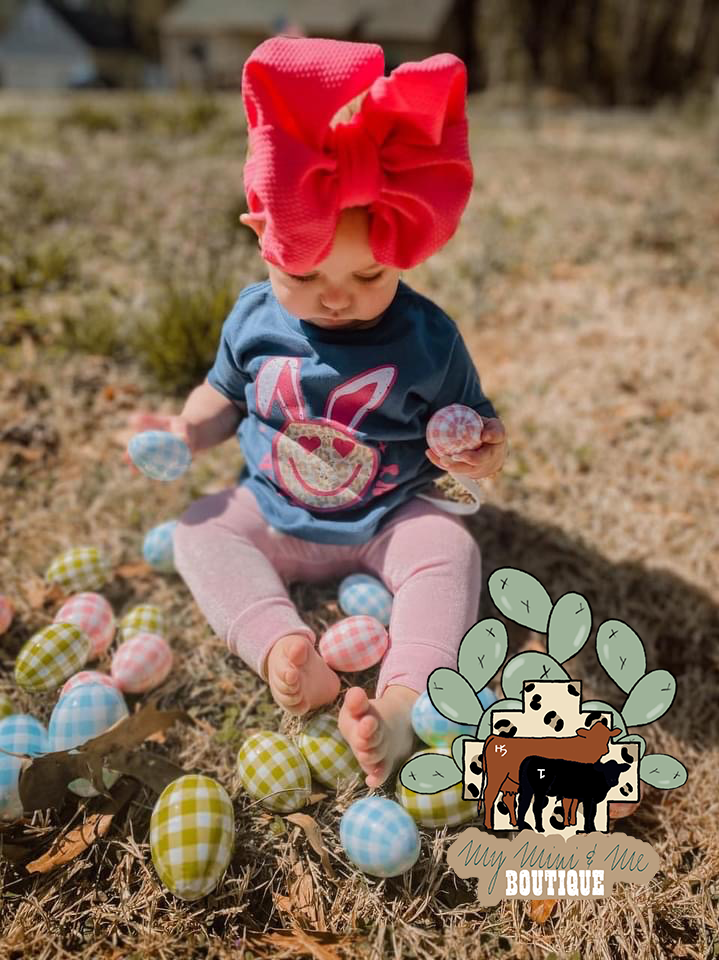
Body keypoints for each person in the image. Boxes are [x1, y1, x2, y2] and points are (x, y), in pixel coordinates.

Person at [126, 36, 509, 791]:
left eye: (368, 273)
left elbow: (478, 424)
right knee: (200, 530)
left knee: (451, 549)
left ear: (402, 252)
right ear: (259, 237)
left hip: (389, 514)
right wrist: (186, 428)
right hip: (274, 509)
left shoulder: (428, 339)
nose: (336, 296)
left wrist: (482, 451)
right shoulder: (253, 321)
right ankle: (283, 650)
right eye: (304, 274)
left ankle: (402, 704)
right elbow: (223, 396)